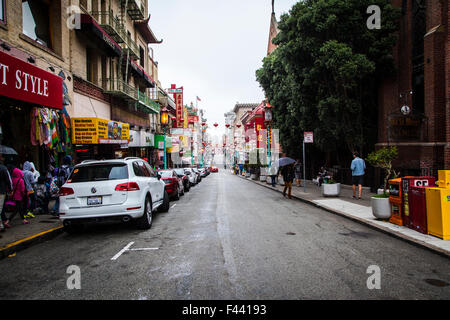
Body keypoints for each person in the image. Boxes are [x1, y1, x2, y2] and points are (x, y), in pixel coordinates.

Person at [0, 153, 13, 231]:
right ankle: (1, 226)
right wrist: (11, 190)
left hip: (2, 191)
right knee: (0, 208)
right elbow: (8, 181)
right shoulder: (3, 168)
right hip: (1, 191)